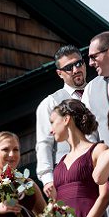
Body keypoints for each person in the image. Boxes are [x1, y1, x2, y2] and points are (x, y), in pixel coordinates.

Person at [36, 45, 88, 201]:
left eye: (78, 63)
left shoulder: (99, 90)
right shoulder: (50, 103)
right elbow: (44, 143)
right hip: (70, 175)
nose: (75, 70)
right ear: (59, 74)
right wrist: (47, 179)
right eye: (68, 67)